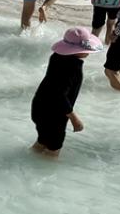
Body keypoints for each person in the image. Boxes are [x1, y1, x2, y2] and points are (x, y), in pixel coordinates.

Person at [32, 28, 103, 157]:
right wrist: (74, 118)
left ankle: (30, 157)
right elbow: (59, 95)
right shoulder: (72, 67)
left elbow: (54, 89)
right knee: (53, 150)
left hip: (40, 106)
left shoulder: (56, 57)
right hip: (53, 114)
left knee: (43, 140)